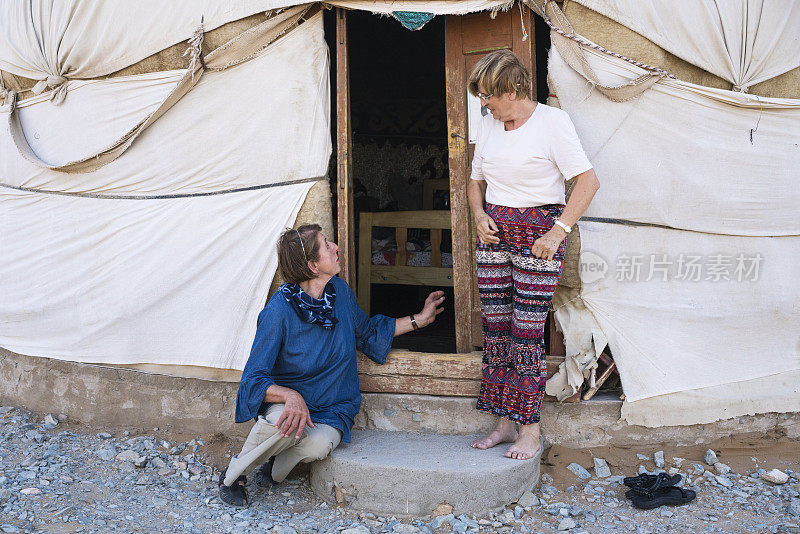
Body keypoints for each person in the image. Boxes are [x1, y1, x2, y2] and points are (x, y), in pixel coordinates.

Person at [218, 224, 445, 506]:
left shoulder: (339, 292)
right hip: (291, 404)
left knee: (317, 445)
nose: (336, 247)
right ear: (313, 266)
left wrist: (418, 320)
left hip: (333, 405)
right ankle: (234, 475)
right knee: (283, 422)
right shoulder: (278, 311)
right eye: (327, 245)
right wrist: (291, 395)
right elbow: (252, 381)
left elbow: (368, 332)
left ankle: (274, 470)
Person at [466, 50, 600, 460]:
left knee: (526, 333)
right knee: (497, 330)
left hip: (539, 236)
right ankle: (505, 423)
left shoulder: (552, 122)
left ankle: (530, 429)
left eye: (489, 96)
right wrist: (477, 215)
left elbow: (589, 182)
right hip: (494, 237)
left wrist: (558, 232)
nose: (484, 105)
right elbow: (475, 181)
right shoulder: (489, 125)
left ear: (512, 90)